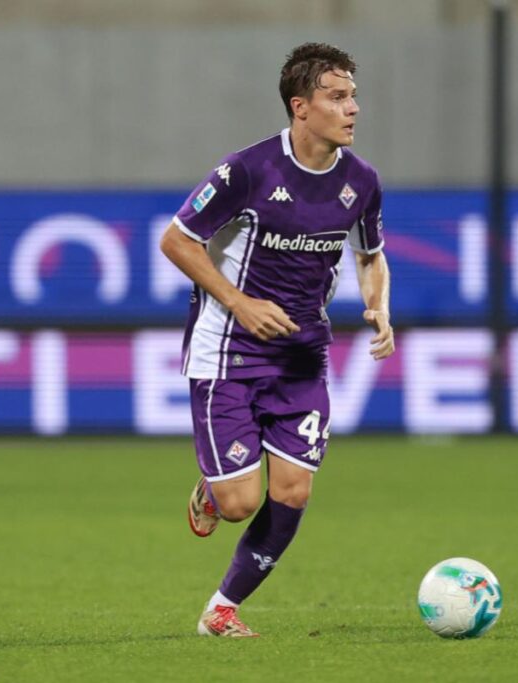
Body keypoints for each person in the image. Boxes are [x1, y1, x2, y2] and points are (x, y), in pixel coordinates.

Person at [160, 42, 394, 637]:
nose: (352, 109)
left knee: (292, 490)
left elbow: (371, 255)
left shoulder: (361, 181)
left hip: (302, 356)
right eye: (337, 97)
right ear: (301, 107)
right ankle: (214, 495)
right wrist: (239, 302)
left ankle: (221, 609)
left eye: (353, 97)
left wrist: (378, 304)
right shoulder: (247, 170)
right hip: (229, 349)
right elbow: (178, 240)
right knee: (240, 503)